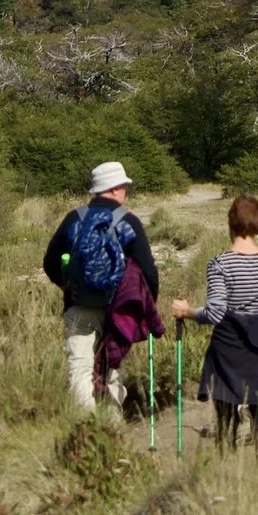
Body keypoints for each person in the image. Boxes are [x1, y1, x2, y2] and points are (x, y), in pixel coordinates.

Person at [166, 194, 258, 462]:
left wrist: (187, 311)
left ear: (229, 221)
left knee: (226, 428)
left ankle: (226, 478)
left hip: (228, 354)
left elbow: (215, 312)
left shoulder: (220, 264)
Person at [42, 160, 160, 410]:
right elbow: (149, 272)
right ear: (115, 188)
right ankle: (112, 425)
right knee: (113, 369)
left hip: (78, 305)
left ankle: (83, 428)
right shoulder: (129, 221)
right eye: (124, 186)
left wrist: (68, 287)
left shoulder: (74, 218)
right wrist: (145, 308)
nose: (126, 191)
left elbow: (50, 262)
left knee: (80, 367)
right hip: (119, 310)